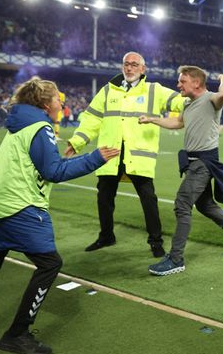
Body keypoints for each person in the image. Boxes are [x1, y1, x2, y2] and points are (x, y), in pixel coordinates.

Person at [0, 77, 119, 354]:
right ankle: (18, 334)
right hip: (17, 205)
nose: (61, 103)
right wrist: (95, 159)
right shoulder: (40, 126)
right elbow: (53, 172)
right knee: (50, 264)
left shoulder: (20, 124)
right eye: (58, 99)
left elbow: (47, 166)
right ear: (45, 104)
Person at [66, 52, 184, 257]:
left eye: (134, 65)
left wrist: (201, 99)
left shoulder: (153, 90)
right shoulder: (107, 91)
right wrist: (77, 142)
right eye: (126, 64)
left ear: (143, 69)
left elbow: (180, 101)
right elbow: (91, 120)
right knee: (104, 198)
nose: (129, 68)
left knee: (149, 200)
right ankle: (106, 236)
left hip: (138, 157)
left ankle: (155, 242)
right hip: (109, 155)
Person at [139, 67, 223, 276]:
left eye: (182, 81)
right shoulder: (189, 104)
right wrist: (152, 119)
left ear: (197, 83)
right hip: (193, 162)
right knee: (205, 204)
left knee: (182, 203)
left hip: (203, 163)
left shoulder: (211, 99)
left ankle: (175, 259)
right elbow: (177, 122)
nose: (178, 84)